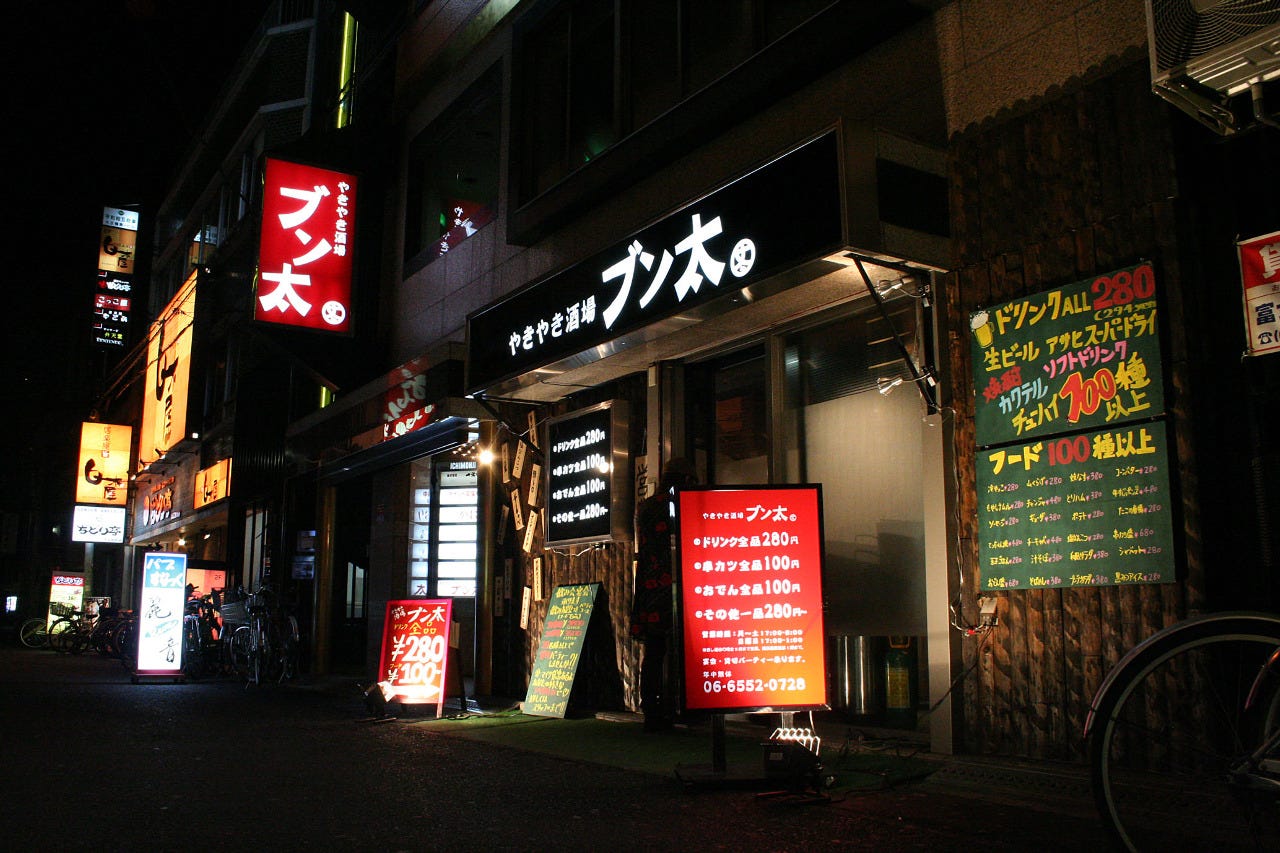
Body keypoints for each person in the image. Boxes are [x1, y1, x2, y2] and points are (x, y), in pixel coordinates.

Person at [630, 456, 697, 732]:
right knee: (685, 646)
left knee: (654, 651)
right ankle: (686, 706)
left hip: (650, 585)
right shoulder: (682, 503)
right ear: (686, 478)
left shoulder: (646, 506)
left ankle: (652, 709)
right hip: (679, 582)